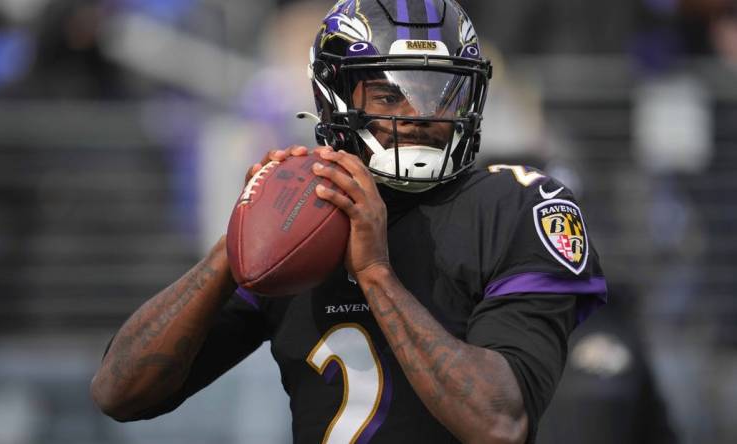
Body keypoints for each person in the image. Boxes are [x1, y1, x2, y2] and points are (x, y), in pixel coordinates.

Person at [90, 1, 607, 443]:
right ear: (334, 97)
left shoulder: (517, 206)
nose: (420, 115)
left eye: (441, 93)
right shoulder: (306, 215)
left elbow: (499, 423)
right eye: (389, 95)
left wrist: (377, 273)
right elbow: (119, 393)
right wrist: (236, 244)